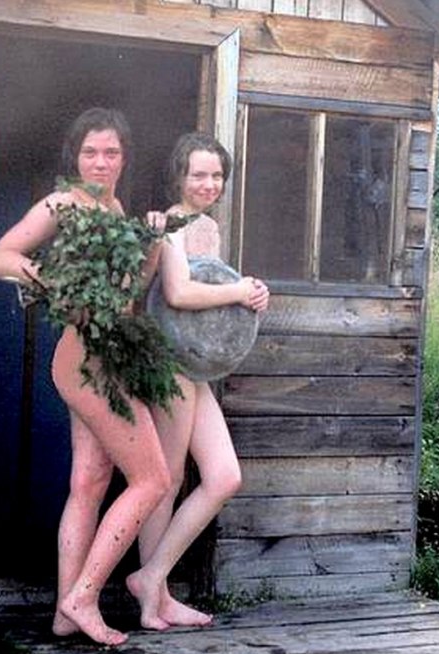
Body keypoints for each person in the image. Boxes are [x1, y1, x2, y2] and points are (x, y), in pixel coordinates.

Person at [0, 107, 172, 646]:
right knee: (153, 480)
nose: (101, 162)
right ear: (76, 156)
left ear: (124, 158)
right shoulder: (62, 204)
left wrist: (153, 244)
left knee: (88, 483)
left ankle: (66, 615)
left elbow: (130, 297)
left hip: (111, 356)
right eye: (91, 152)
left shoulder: (114, 208)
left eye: (111, 152)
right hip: (87, 362)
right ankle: (85, 595)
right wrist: (53, 282)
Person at [126, 132, 270, 630]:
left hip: (196, 366)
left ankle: (151, 579)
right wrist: (237, 290)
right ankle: (155, 599)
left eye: (216, 176)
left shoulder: (209, 227)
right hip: (168, 364)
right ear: (179, 177)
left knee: (224, 476)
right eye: (198, 175)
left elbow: (215, 292)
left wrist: (253, 296)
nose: (208, 184)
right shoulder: (171, 224)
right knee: (165, 480)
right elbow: (179, 293)